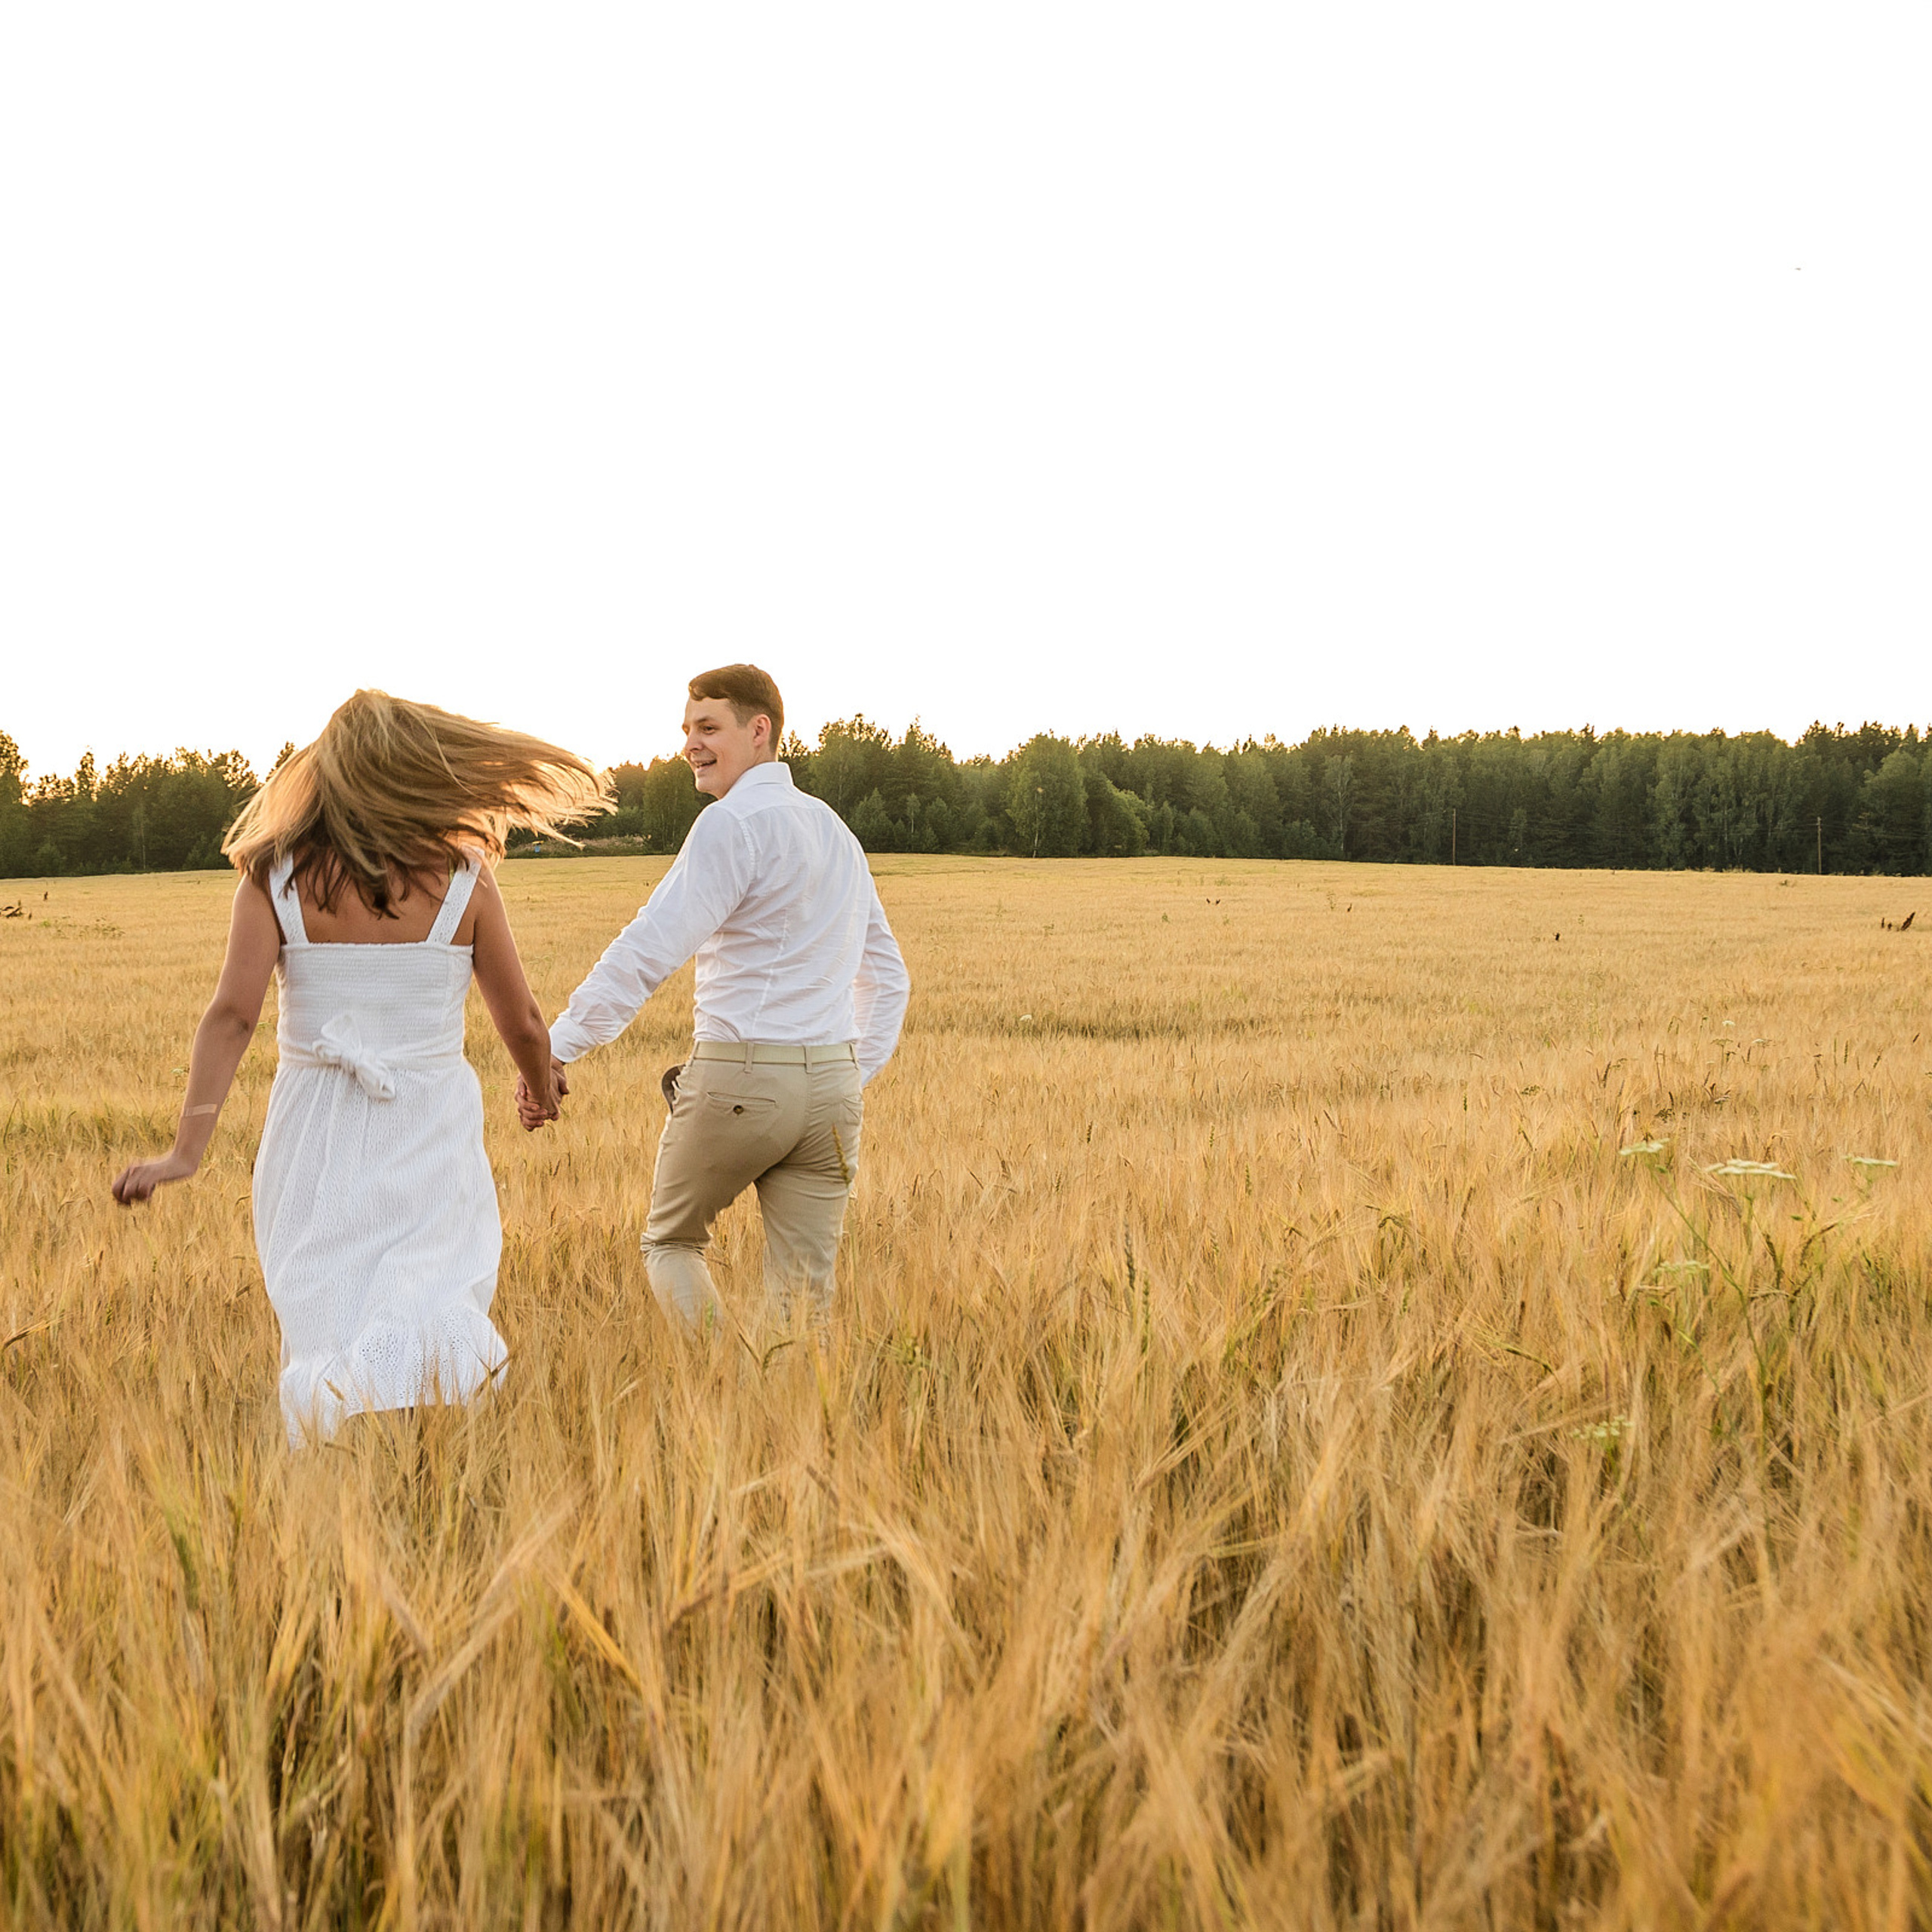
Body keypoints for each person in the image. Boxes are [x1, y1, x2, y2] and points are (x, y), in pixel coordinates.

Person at [112, 691, 605, 1443]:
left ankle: (338, 1472)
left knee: (329, 1312)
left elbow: (231, 1017)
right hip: (427, 1120)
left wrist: (186, 1151)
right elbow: (525, 1023)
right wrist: (540, 1091)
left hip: (315, 1126)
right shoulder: (464, 879)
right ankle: (429, 1480)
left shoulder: (271, 875)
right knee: (431, 1296)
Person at [521, 664, 909, 1331]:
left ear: (759, 731)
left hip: (743, 1080)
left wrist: (553, 1051)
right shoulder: (834, 830)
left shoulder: (732, 825)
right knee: (803, 1301)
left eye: (708, 727)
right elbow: (888, 975)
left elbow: (648, 951)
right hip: (833, 1092)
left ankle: (723, 1378)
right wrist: (850, 1072)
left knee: (671, 1243)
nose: (690, 745)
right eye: (686, 730)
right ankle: (784, 1416)